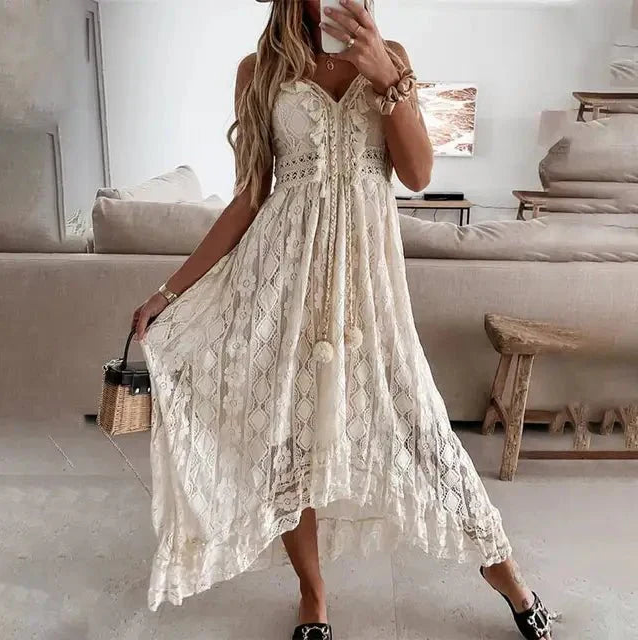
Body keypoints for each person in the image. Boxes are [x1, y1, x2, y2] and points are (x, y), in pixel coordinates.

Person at [132, 1, 556, 638]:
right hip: (283, 283)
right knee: (289, 439)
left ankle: (510, 578)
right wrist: (168, 292)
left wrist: (388, 78)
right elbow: (250, 197)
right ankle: (314, 595)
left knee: (421, 431)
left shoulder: (392, 57)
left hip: (369, 290)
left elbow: (417, 174)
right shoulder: (260, 69)